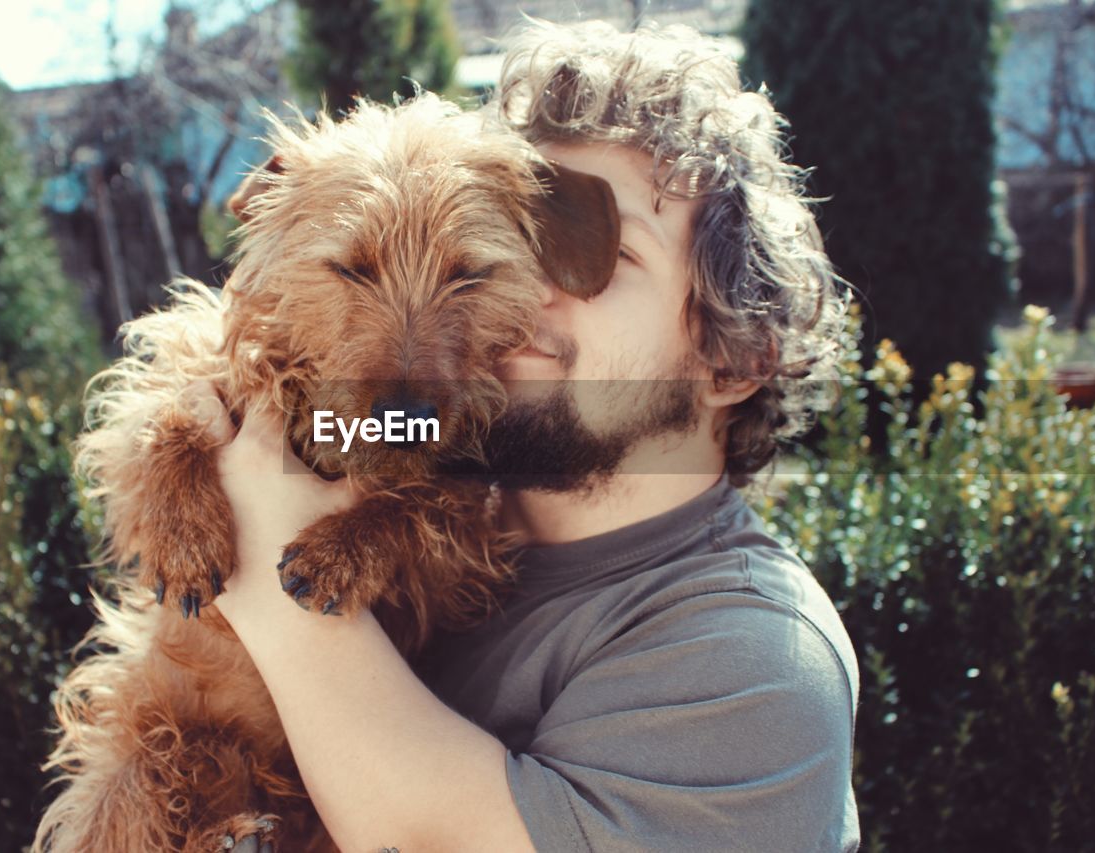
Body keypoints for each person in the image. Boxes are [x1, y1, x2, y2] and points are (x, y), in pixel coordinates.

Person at [211, 18, 859, 853]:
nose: (524, 290)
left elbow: (430, 840)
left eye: (603, 256)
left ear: (734, 362)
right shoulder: (409, 521)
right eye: (511, 241)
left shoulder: (754, 661)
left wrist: (258, 561)